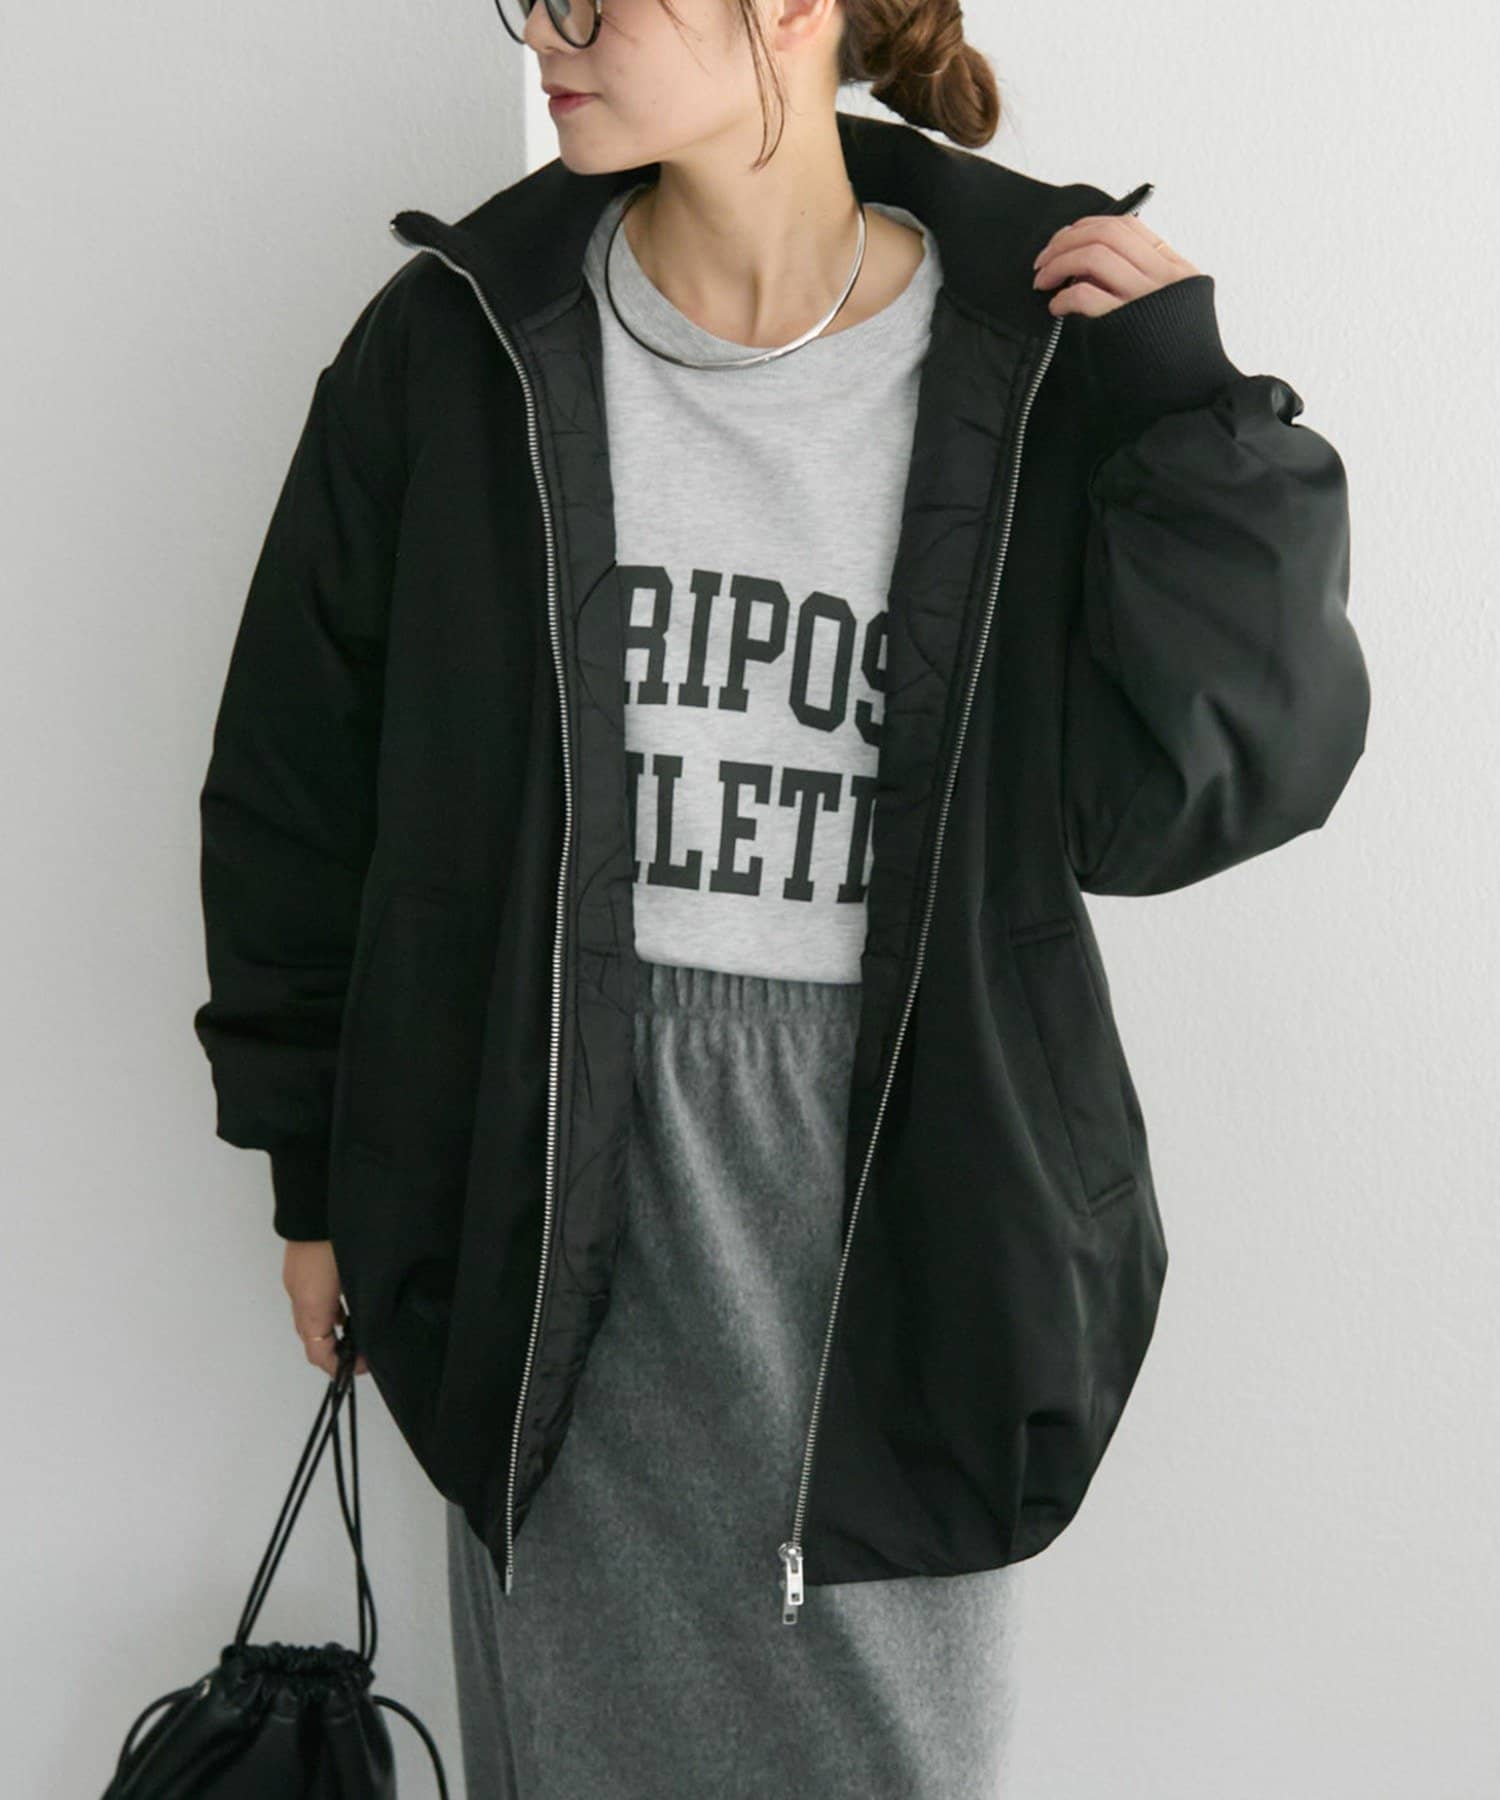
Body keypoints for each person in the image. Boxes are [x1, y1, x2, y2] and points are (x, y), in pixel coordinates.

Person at [192, 0, 1371, 1790]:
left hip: (904, 1196)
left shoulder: (1033, 352)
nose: (546, 33)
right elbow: (300, 779)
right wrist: (310, 1166)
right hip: (544, 1181)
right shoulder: (460, 346)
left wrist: (1195, 419)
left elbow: (1213, 790)